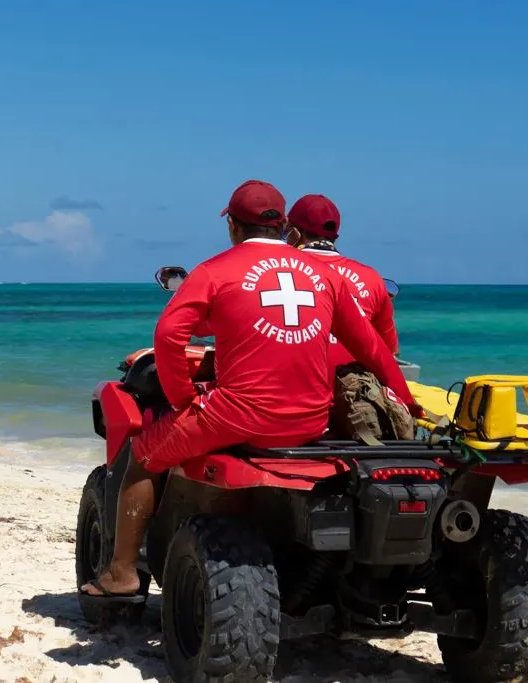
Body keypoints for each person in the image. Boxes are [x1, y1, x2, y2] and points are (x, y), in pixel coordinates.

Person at [80, 179, 420, 600]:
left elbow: (168, 336)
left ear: (233, 226)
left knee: (144, 456)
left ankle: (122, 574)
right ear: (283, 227)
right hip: (310, 420)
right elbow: (372, 346)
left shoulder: (215, 271)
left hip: (236, 418)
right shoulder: (325, 277)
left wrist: (184, 399)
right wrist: (404, 398)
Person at [285, 193, 414, 443]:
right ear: (335, 235)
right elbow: (387, 353)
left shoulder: (281, 270)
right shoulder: (371, 278)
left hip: (297, 408)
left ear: (294, 232)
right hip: (356, 408)